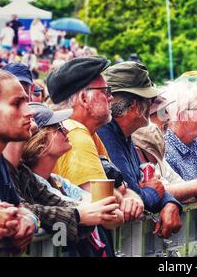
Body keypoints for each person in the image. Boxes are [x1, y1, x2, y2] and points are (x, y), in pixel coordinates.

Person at [14, 103, 122, 256]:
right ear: (39, 142)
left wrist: (96, 212)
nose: (66, 130)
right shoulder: (23, 176)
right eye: (58, 128)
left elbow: (107, 212)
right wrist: (80, 215)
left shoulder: (56, 181)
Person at [46, 56, 144, 224]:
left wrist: (129, 196)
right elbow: (106, 211)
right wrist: (123, 194)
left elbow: (122, 193)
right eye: (106, 91)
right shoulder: (75, 134)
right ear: (84, 99)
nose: (111, 98)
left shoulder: (88, 133)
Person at [97, 62, 183, 238]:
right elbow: (133, 197)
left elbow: (145, 189)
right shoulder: (105, 135)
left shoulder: (124, 134)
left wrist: (171, 203)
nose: (152, 107)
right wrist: (153, 193)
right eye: (150, 101)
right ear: (135, 106)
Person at [0, 69, 39, 250]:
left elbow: (20, 207)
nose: (30, 112)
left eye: (27, 102)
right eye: (16, 103)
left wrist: (29, 220)